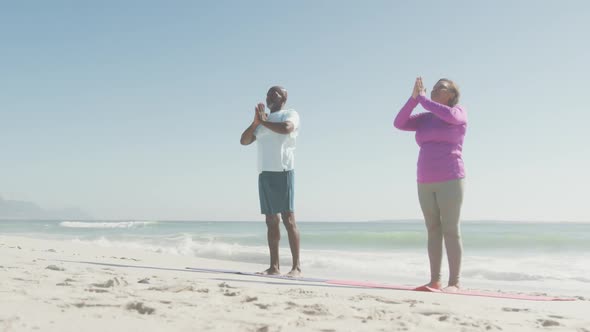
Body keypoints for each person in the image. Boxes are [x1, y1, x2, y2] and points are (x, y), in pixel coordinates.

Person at [393, 77, 467, 292]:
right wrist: (413, 99)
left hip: (451, 178)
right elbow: (399, 123)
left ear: (451, 95)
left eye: (440, 88)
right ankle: (435, 280)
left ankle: (454, 283)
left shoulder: (458, 112)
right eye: (433, 87)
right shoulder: (426, 118)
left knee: (451, 229)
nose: (434, 90)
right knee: (433, 229)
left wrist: (423, 99)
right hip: (424, 179)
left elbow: (449, 115)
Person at [240, 86, 301, 277]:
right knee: (270, 221)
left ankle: (296, 267)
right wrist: (256, 122)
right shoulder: (262, 122)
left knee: (288, 220)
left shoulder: (289, 114)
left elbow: (286, 129)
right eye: (267, 94)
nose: (269, 96)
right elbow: (244, 141)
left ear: (284, 98)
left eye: (274, 93)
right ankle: (274, 267)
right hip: (265, 173)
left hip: (283, 171)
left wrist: (264, 122)